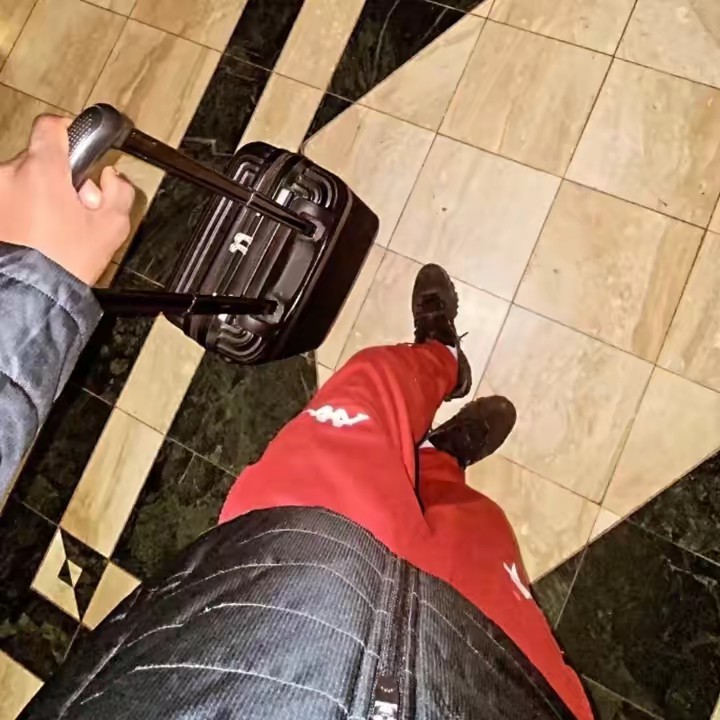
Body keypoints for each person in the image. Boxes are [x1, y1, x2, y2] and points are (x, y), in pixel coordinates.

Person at [1, 116, 594, 720]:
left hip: (276, 586)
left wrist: (31, 282)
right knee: (478, 529)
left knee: (368, 391)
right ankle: (439, 460)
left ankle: (442, 359)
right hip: (496, 684)